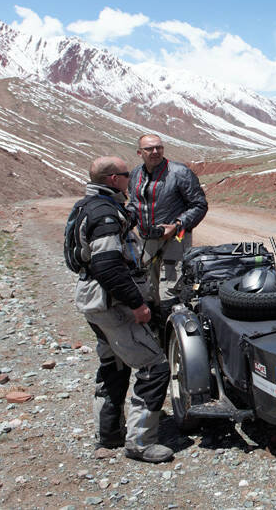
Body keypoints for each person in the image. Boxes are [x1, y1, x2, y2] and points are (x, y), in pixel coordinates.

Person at [72, 156, 174, 463]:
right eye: (127, 174)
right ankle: (140, 443)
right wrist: (137, 304)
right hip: (113, 305)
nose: (131, 178)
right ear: (114, 179)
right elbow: (108, 266)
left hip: (93, 301)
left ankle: (109, 433)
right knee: (154, 367)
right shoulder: (104, 213)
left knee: (114, 365)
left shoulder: (86, 206)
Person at [127, 134, 208, 306]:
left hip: (176, 239)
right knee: (148, 286)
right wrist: (125, 219)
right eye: (149, 148)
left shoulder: (180, 172)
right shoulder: (135, 175)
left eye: (159, 147)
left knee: (172, 287)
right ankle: (155, 327)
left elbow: (199, 205)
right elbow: (135, 204)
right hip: (147, 239)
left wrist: (177, 225)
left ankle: (175, 328)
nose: (155, 151)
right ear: (139, 152)